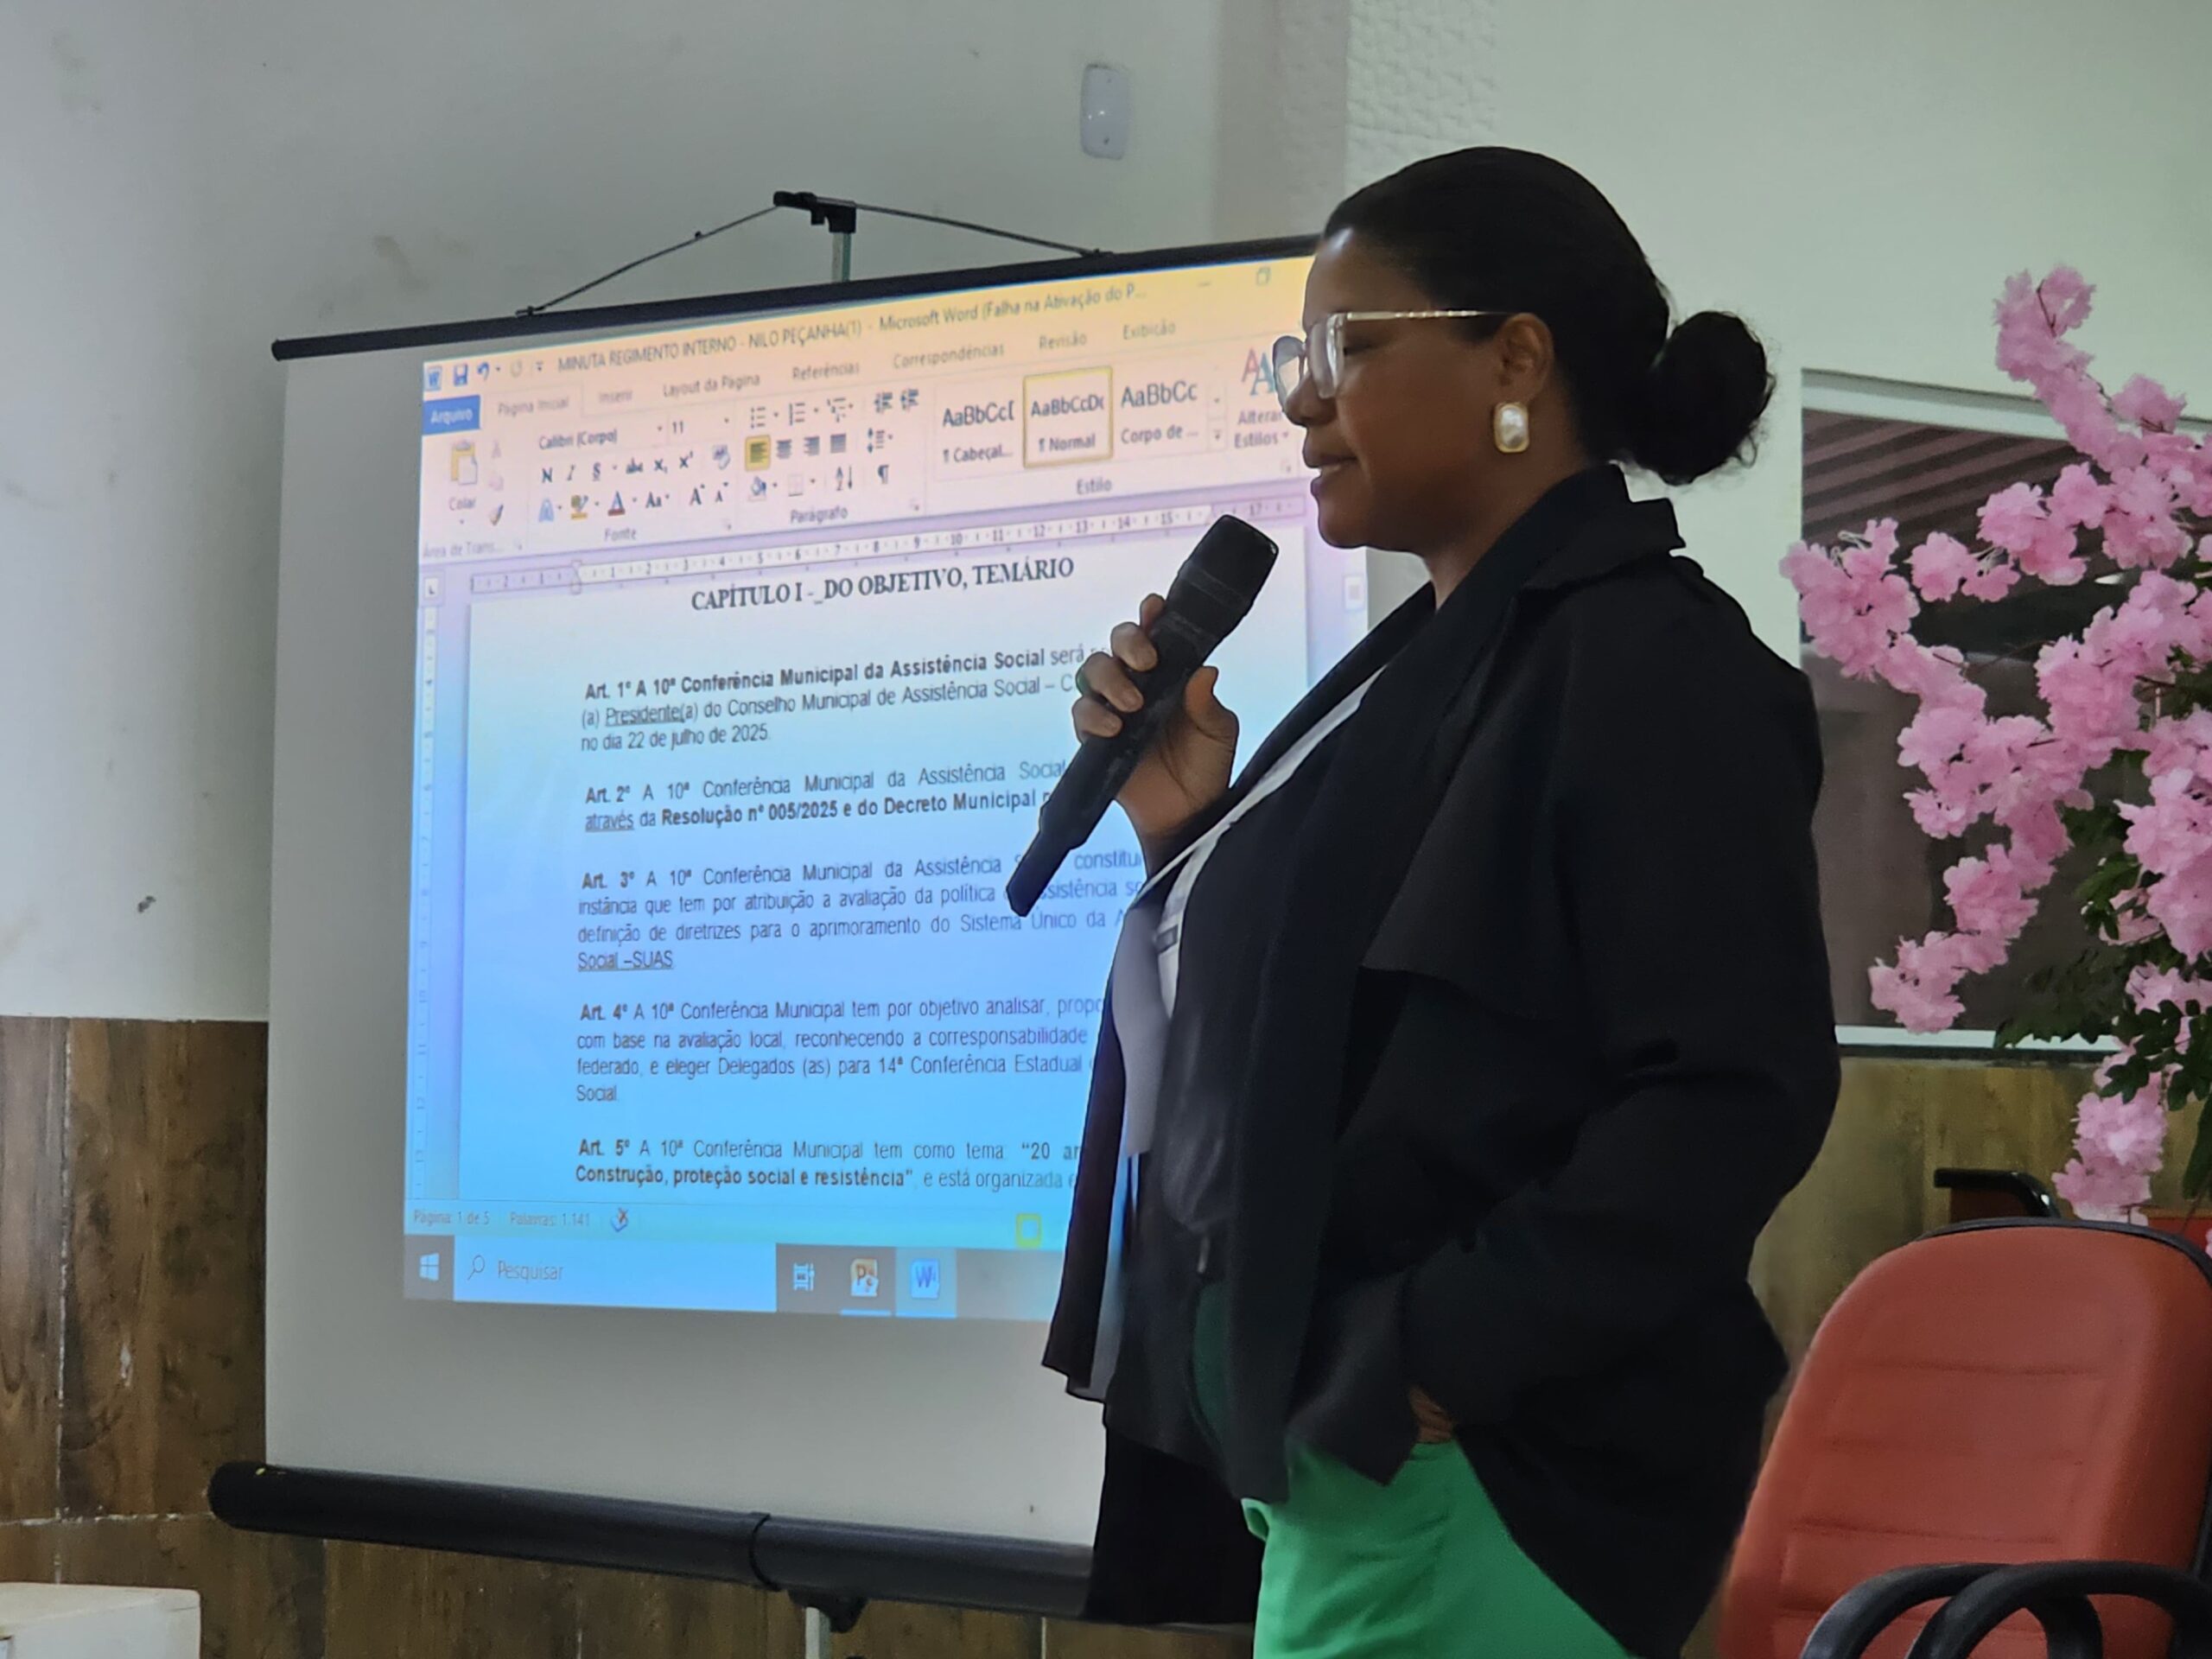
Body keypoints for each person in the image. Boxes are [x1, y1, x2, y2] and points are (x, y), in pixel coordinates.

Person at [1042, 147, 1840, 1659]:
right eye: (1296, 357)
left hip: (1482, 1487)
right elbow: (1340, 1032)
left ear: (1515, 361)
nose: (1303, 400)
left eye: (1346, 347)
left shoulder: (1652, 667)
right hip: (1355, 1477)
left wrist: (1426, 1361)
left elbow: (1731, 1092)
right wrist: (1189, 836)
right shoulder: (1433, 662)